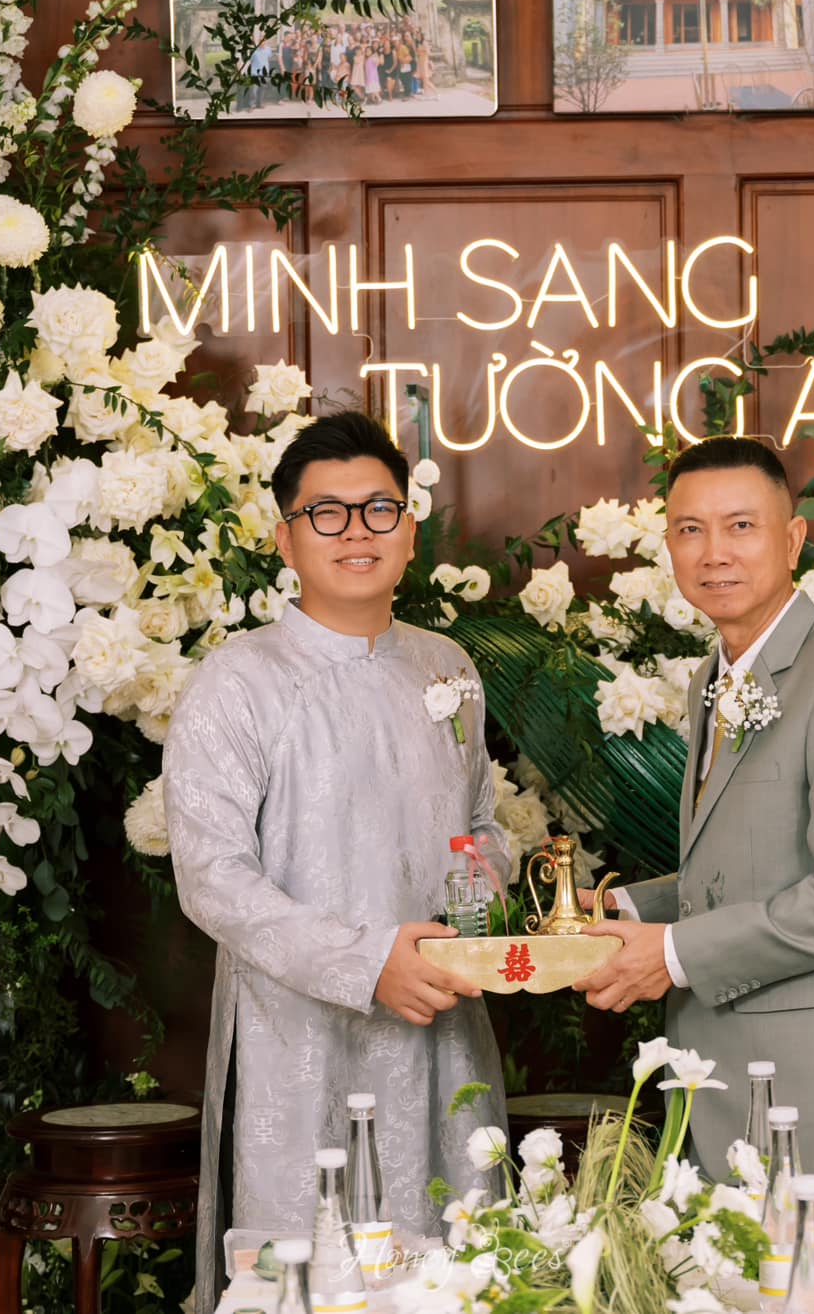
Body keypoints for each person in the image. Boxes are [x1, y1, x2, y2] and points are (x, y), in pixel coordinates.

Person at [165, 412, 511, 1302]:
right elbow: (211, 879)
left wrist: (477, 912)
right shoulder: (238, 681)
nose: (357, 531)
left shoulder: (448, 668)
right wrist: (367, 961)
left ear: (410, 530)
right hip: (298, 1042)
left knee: (457, 1274)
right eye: (327, 513)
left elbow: (483, 824)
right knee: (312, 1282)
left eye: (379, 509)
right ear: (286, 539)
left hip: (442, 1023)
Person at [573, 435, 814, 1240]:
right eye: (690, 530)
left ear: (793, 538)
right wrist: (617, 912)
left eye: (741, 526)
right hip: (730, 1105)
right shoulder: (716, 677)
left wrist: (673, 955)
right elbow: (744, 868)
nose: (714, 552)